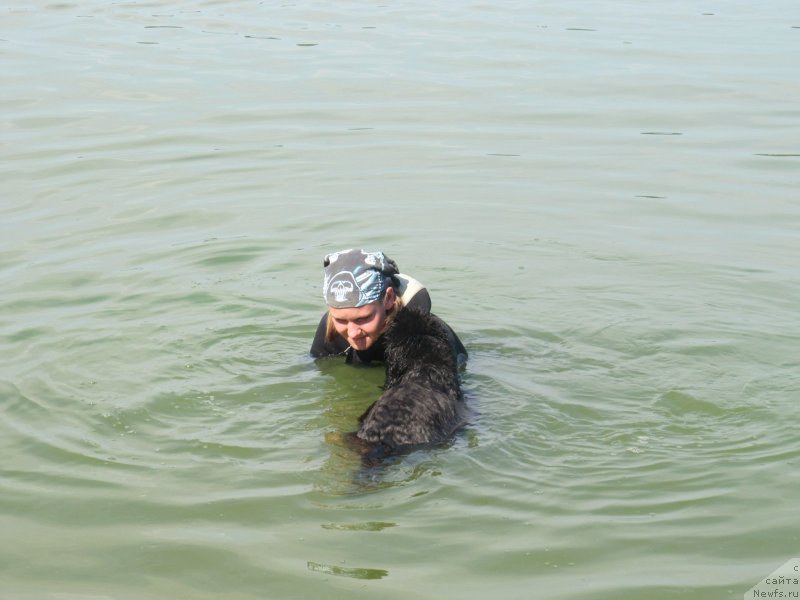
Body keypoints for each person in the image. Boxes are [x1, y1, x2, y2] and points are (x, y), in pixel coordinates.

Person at [310, 248, 467, 366]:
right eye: (341, 320)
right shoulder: (330, 327)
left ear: (389, 298)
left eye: (363, 318)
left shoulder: (430, 336)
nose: (352, 333)